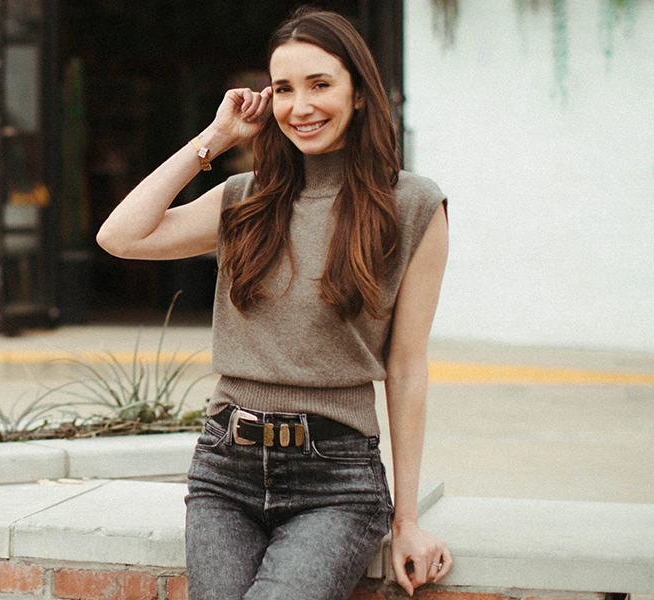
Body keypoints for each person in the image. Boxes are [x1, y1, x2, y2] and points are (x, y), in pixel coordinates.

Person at [96, 8, 452, 599]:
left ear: (359, 93)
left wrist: (406, 519)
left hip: (336, 481)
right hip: (224, 471)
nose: (300, 106)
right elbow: (121, 236)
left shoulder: (412, 204)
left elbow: (408, 367)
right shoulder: (245, 198)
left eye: (320, 84)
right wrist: (215, 140)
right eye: (283, 89)